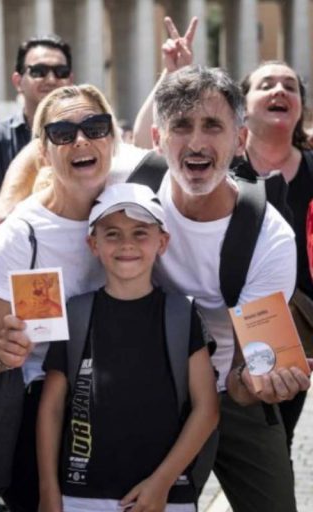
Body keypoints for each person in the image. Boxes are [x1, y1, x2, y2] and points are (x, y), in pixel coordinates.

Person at [150, 65, 310, 512]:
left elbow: (249, 370)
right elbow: (48, 154)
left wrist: (262, 381)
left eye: (213, 126)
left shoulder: (269, 237)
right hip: (150, 390)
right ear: (157, 138)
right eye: (181, 126)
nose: (197, 142)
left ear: (240, 141)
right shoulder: (130, 190)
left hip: (230, 392)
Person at [0, 84, 119, 512]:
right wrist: (4, 351)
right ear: (43, 151)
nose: (81, 140)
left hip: (124, 401)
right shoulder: (22, 232)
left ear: (113, 137)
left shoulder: (133, 207)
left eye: (95, 126)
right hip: (44, 413)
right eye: (63, 133)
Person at [37, 183, 219, 512]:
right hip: (80, 497)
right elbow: (50, 409)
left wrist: (162, 482)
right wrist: (49, 490)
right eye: (112, 234)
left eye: (140, 233)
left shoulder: (181, 313)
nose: (126, 245)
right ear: (92, 244)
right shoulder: (76, 314)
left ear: (162, 242)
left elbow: (207, 409)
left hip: (164, 498)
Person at [239, 60, 312, 456]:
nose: (280, 91)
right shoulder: (221, 169)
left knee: (274, 443)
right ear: (243, 104)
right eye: (266, 84)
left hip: (295, 329)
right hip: (223, 324)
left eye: (290, 86)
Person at [0, 35, 72, 197]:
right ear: (18, 81)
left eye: (61, 72)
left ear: (70, 80)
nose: (51, 79)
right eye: (38, 71)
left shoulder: (86, 137)